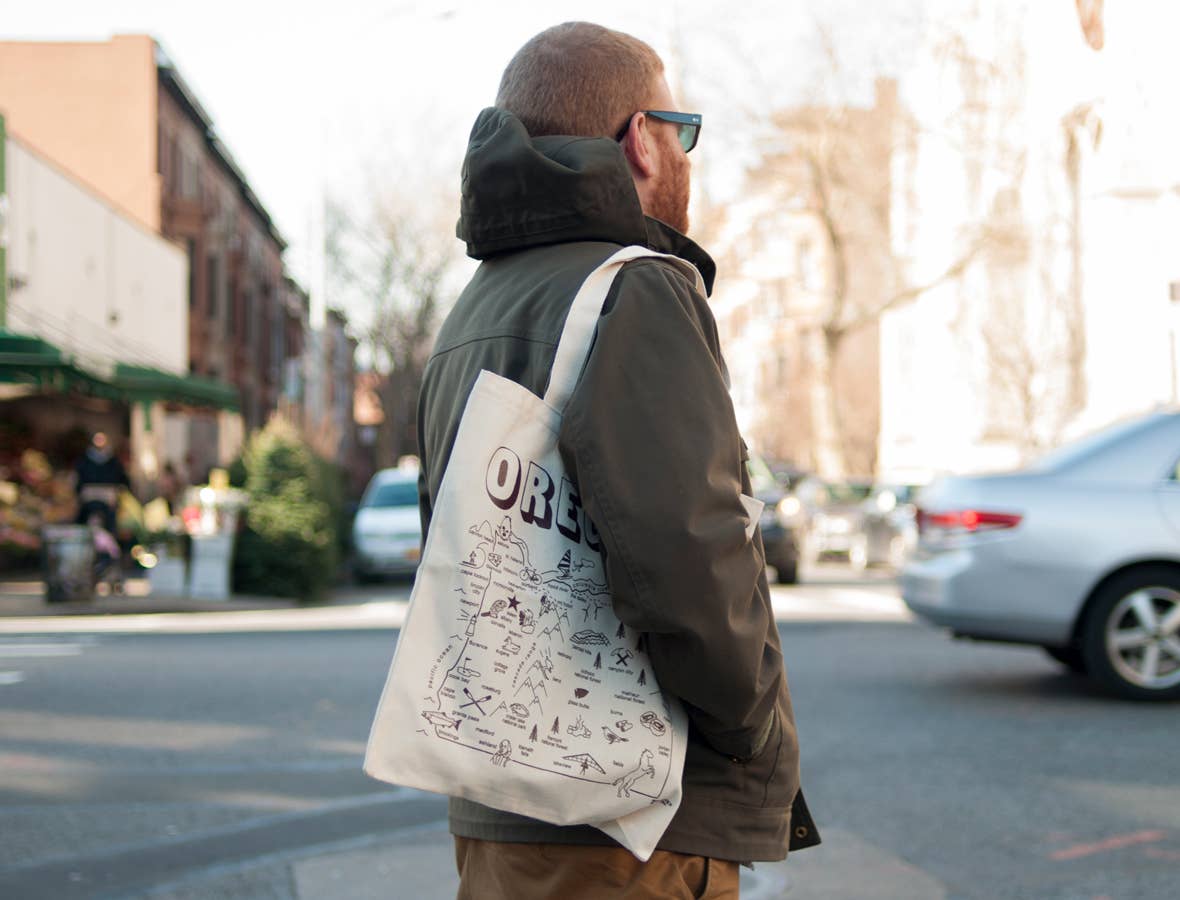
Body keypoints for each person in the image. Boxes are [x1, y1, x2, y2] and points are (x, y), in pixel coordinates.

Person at [416, 21, 818, 899]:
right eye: (684, 130)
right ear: (642, 138)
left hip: (503, 808)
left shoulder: (478, 305)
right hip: (627, 824)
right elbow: (688, 552)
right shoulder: (634, 286)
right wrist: (751, 726)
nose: (687, 155)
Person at [75, 431, 130, 535]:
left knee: (110, 522)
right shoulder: (85, 460)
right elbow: (79, 478)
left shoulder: (113, 461)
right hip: (89, 496)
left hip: (108, 496)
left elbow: (121, 478)